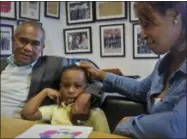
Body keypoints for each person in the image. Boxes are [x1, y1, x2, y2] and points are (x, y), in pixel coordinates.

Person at [77, 1, 186, 138]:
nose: (143, 35)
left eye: (147, 24)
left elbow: (177, 126)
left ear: (175, 14)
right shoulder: (163, 65)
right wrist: (101, 75)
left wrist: (127, 124)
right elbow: (139, 89)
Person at [0, 21, 101, 124]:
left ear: (42, 47)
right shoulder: (2, 65)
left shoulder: (53, 64)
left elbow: (95, 72)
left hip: (24, 126)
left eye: (35, 44)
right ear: (13, 40)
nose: (28, 48)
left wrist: (86, 96)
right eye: (23, 41)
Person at [21, 65, 110, 133]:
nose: (71, 91)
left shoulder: (95, 113)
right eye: (66, 85)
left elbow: (106, 136)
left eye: (77, 86)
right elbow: (27, 114)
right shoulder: (55, 109)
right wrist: (44, 92)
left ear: (86, 88)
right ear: (60, 88)